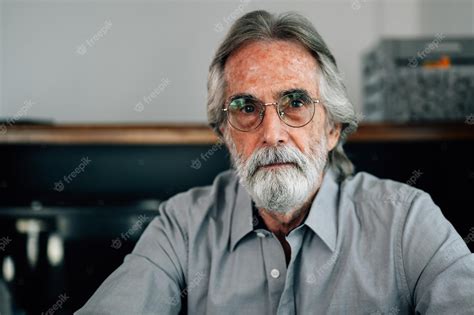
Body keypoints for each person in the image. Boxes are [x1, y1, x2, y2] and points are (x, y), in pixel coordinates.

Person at [76, 10, 474, 314]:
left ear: (333, 128)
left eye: (296, 103)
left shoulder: (405, 223)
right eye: (246, 107)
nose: (271, 133)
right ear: (226, 133)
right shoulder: (183, 226)